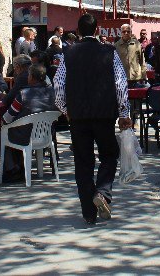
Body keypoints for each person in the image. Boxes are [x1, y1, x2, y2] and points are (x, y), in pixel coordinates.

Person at [54, 13, 132, 225]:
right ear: (97, 30)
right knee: (109, 154)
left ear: (78, 31)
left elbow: (59, 84)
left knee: (83, 162)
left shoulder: (68, 53)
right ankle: (103, 192)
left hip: (78, 116)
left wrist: (65, 109)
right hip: (104, 114)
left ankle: (88, 212)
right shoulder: (109, 52)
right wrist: (124, 113)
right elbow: (120, 84)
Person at [0, 63, 56, 178]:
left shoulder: (23, 94)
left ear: (31, 77)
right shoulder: (53, 93)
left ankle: (11, 169)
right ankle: (19, 165)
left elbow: (7, 118)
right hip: (45, 135)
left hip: (24, 136)